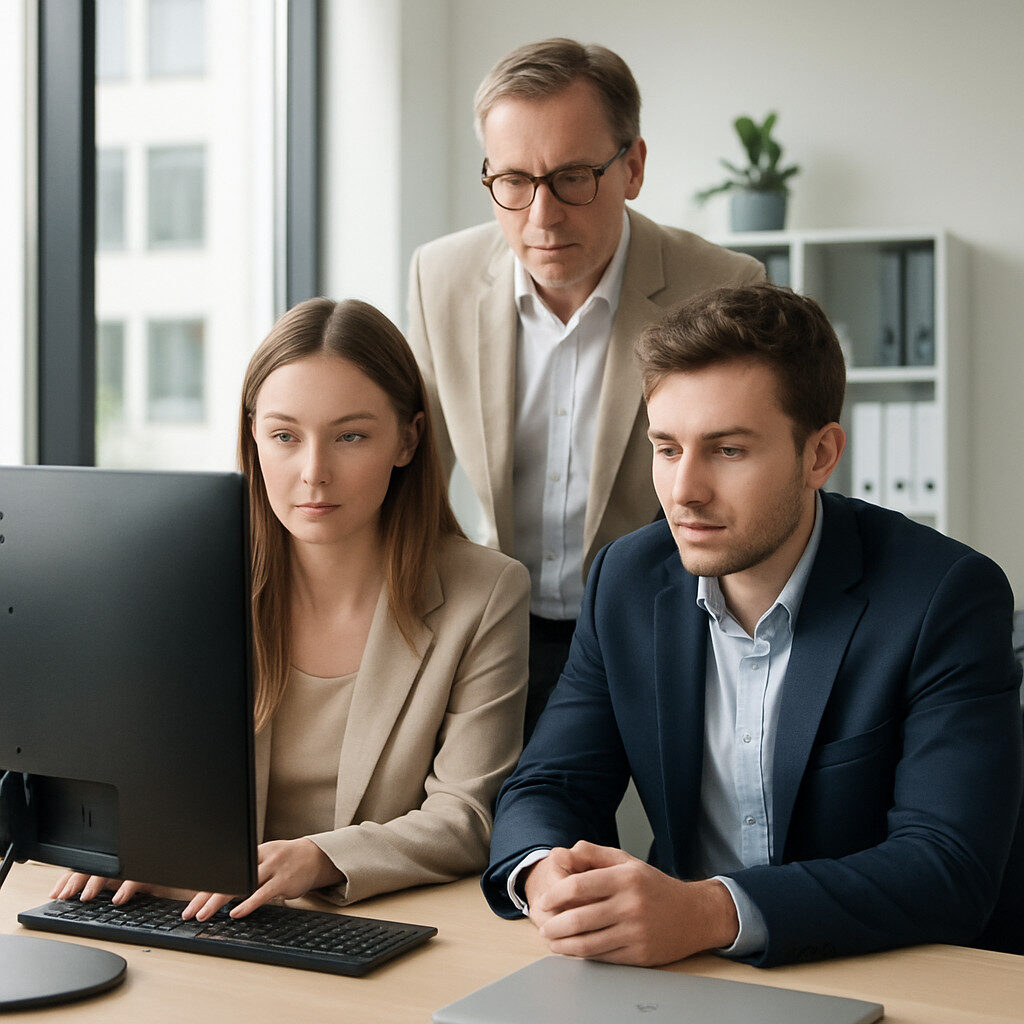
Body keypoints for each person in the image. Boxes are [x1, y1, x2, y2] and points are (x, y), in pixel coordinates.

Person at [482, 283, 1023, 967]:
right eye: (668, 448)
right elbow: (548, 785)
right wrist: (542, 873)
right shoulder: (626, 580)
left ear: (820, 455)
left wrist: (709, 910)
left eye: (728, 450)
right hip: (683, 974)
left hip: (888, 971)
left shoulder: (943, 597)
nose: (685, 491)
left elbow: (948, 866)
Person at [53, 297, 530, 918]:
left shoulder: (486, 593)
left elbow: (466, 816)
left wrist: (317, 857)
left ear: (408, 439)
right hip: (211, 914)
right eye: (284, 436)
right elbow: (138, 778)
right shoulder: (187, 579)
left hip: (381, 924)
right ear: (253, 439)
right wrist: (129, 844)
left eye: (350, 436)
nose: (313, 472)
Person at [407, 38, 764, 737]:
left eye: (573, 177)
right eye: (512, 181)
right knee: (511, 828)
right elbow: (416, 469)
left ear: (631, 167)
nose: (542, 216)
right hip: (501, 622)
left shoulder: (724, 287)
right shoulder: (440, 277)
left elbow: (745, 483)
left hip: (672, 616)